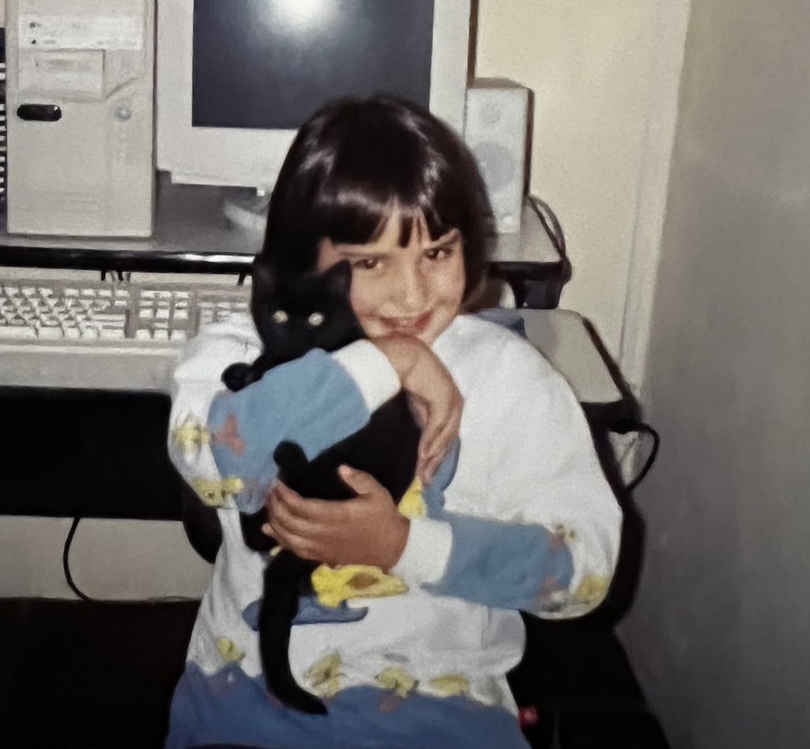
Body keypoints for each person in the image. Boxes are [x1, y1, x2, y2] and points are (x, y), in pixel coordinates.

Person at [165, 95, 622, 749]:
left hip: (444, 708)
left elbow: (583, 575)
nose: (411, 295)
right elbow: (220, 457)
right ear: (305, 258)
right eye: (371, 262)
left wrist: (404, 546)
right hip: (249, 698)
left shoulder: (513, 380)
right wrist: (388, 360)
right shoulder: (237, 349)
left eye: (436, 253)